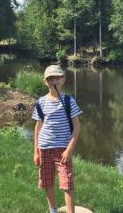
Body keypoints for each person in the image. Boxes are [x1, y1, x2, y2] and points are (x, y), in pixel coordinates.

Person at [32, 65, 82, 213]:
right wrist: (36, 151)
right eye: (50, 78)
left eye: (57, 78)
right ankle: (53, 210)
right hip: (44, 148)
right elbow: (37, 128)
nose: (53, 81)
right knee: (47, 182)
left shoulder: (68, 101)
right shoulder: (41, 102)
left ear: (63, 80)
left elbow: (77, 127)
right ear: (45, 82)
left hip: (62, 150)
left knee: (67, 183)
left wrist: (69, 149)